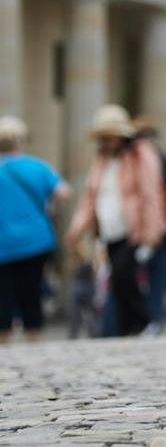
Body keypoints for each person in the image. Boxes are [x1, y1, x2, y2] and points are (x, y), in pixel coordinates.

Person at [67, 105, 166, 337]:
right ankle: (128, 328)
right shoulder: (101, 161)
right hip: (109, 230)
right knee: (118, 281)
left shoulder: (141, 155)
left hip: (133, 230)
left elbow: (150, 194)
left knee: (126, 276)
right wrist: (76, 230)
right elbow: (90, 198)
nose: (108, 141)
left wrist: (151, 234)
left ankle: (144, 322)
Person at [0, 116, 68, 343]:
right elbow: (63, 193)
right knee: (33, 288)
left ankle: (4, 337)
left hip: (3, 243)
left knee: (4, 292)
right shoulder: (37, 166)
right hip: (36, 240)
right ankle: (33, 335)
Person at [132, 119, 166, 334]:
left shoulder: (153, 162)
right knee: (156, 279)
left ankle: (152, 320)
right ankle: (153, 320)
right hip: (162, 231)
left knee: (153, 278)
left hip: (154, 231)